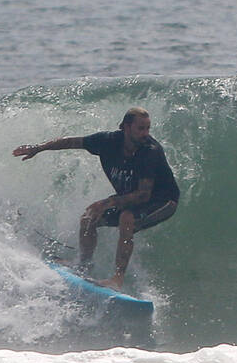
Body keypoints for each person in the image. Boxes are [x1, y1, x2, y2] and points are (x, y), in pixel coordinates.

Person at [12, 107, 179, 290]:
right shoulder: (107, 141)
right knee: (89, 216)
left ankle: (117, 279)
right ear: (125, 127)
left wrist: (108, 202)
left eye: (148, 128)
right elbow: (72, 142)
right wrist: (38, 148)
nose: (145, 134)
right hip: (130, 199)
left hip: (163, 202)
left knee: (127, 218)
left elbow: (143, 195)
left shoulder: (150, 151)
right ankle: (84, 264)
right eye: (141, 128)